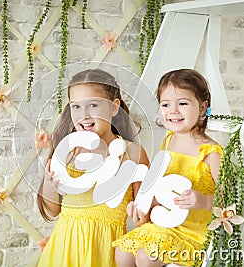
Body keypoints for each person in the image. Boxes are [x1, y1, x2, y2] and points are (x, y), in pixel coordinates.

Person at [37, 69, 150, 267]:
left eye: (93, 105)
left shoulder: (132, 153)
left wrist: (141, 215)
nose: (84, 115)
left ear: (114, 108)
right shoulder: (68, 151)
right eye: (76, 107)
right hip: (66, 249)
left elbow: (146, 215)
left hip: (107, 250)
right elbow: (53, 210)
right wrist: (49, 183)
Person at [113, 69, 223, 267]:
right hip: (165, 225)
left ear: (202, 108)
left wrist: (204, 200)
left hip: (193, 233)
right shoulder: (168, 141)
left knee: (146, 257)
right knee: (123, 252)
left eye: (182, 103)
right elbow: (161, 187)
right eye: (165, 104)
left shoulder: (210, 152)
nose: (173, 111)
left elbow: (230, 199)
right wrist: (143, 207)